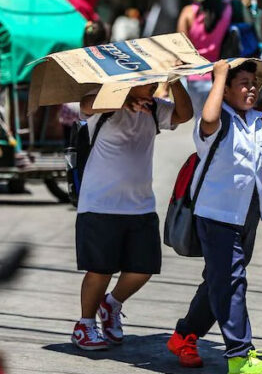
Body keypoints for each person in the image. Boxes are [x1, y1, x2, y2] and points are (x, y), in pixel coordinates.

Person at [168, 57, 262, 373]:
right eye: (242, 84)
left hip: (246, 213)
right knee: (232, 282)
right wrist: (218, 76)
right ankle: (239, 355)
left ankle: (184, 335)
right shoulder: (217, 122)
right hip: (215, 214)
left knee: (219, 280)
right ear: (227, 89)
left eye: (253, 84)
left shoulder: (260, 120)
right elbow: (207, 117)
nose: (250, 89)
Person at [71, 80, 193, 351]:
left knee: (143, 268)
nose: (153, 85)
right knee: (100, 269)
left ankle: (111, 304)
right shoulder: (103, 103)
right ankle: (85, 324)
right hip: (101, 203)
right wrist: (123, 99)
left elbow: (184, 115)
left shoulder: (154, 108)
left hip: (140, 205)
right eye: (146, 80)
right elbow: (86, 105)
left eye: (156, 80)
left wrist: (175, 83)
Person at [178, 0, 233, 116]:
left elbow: (180, 48)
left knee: (199, 121)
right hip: (218, 75)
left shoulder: (188, 12)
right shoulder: (227, 11)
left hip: (194, 77)